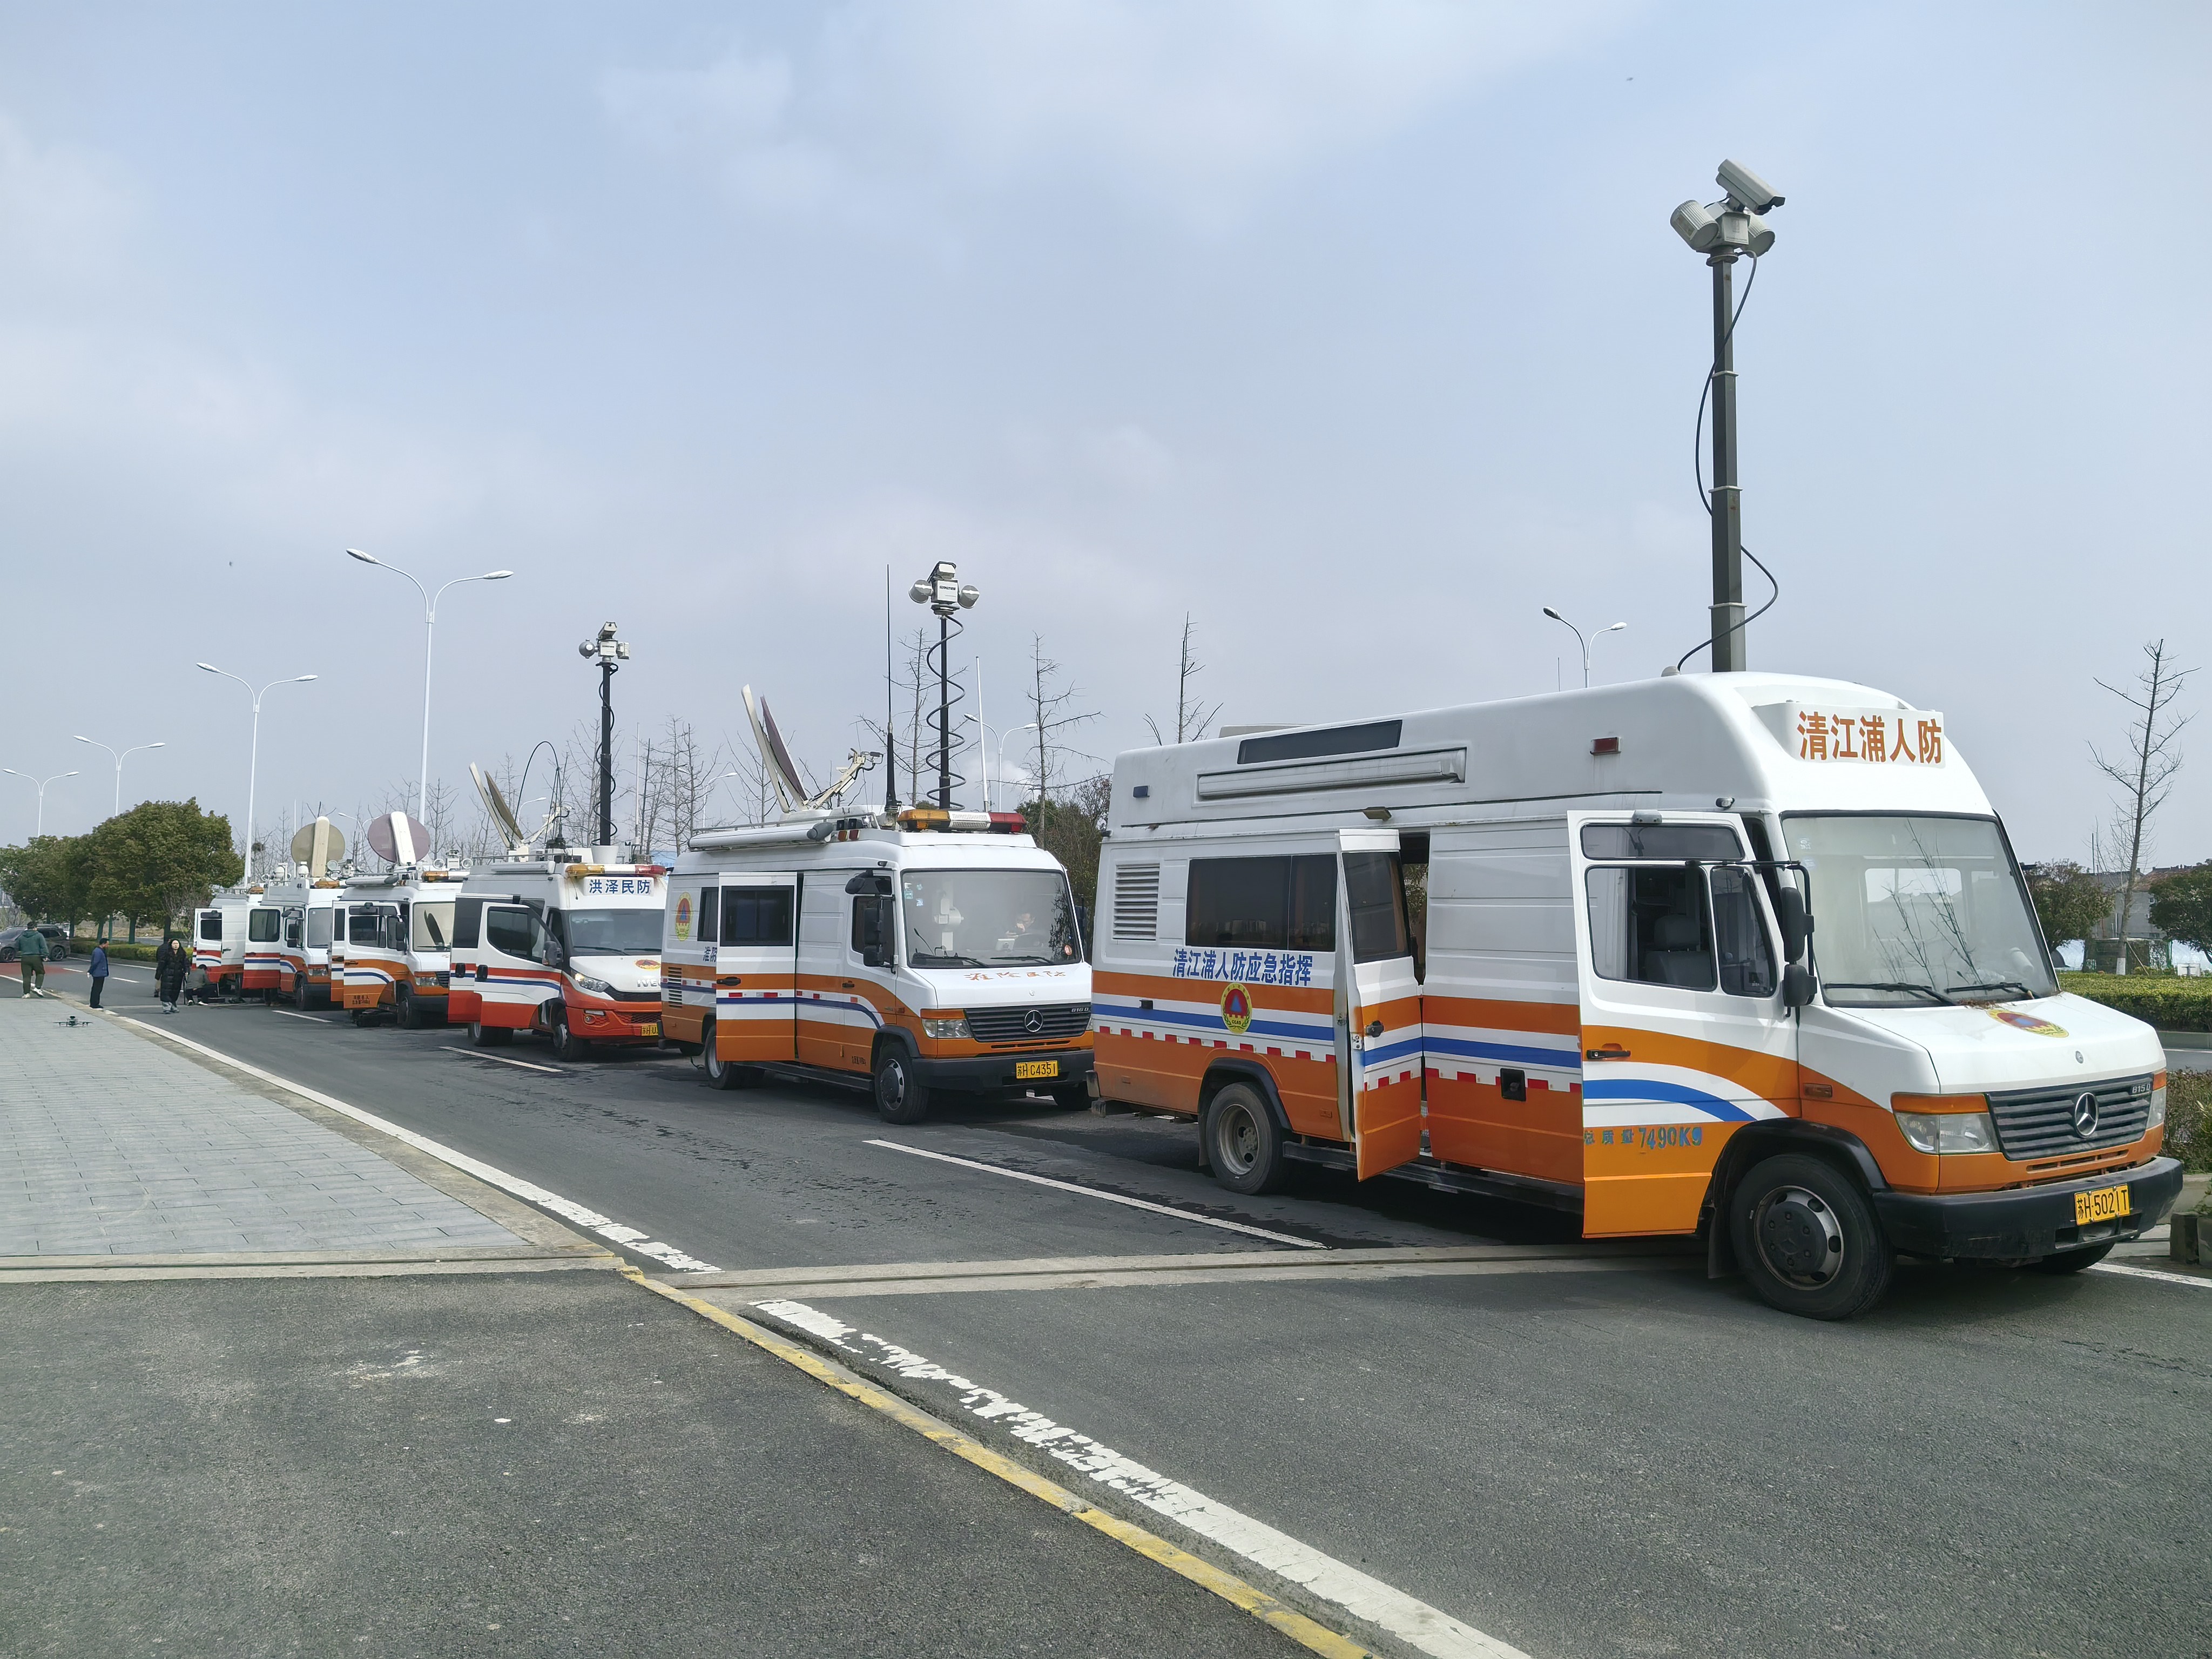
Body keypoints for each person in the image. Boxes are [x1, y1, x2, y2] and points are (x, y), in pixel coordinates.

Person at [16, 923, 47, 997]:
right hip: (36, 957)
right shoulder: (39, 936)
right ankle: (37, 988)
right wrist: (45, 955)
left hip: (25, 958)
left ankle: (26, 993)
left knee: (26, 976)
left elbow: (17, 947)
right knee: (40, 972)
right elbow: (43, 946)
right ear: (35, 928)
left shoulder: (21, 937)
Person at [87, 941, 110, 1009]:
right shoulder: (98, 952)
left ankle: (95, 1003)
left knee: (97, 989)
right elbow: (95, 962)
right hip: (99, 973)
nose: (108, 946)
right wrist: (90, 971)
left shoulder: (99, 951)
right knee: (97, 989)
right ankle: (94, 1004)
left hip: (100, 973)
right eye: (107, 944)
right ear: (103, 944)